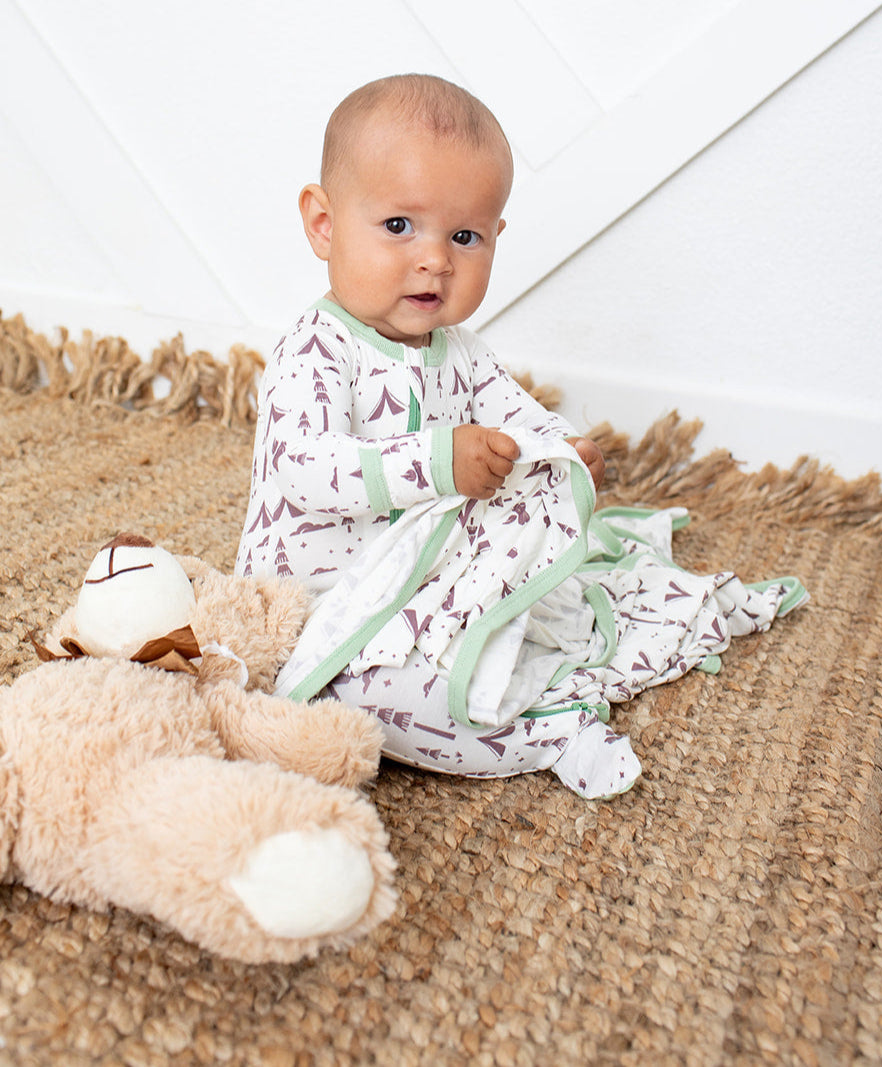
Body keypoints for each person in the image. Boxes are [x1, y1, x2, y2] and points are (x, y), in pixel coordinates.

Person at [236, 74, 805, 799]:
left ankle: (540, 660)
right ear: (323, 224)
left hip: (430, 577)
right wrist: (439, 462)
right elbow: (306, 468)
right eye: (399, 226)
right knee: (379, 700)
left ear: (494, 238)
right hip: (326, 598)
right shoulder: (316, 349)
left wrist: (563, 450)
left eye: (464, 236)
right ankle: (548, 730)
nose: (435, 259)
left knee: (555, 598)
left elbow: (518, 416)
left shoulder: (461, 352)